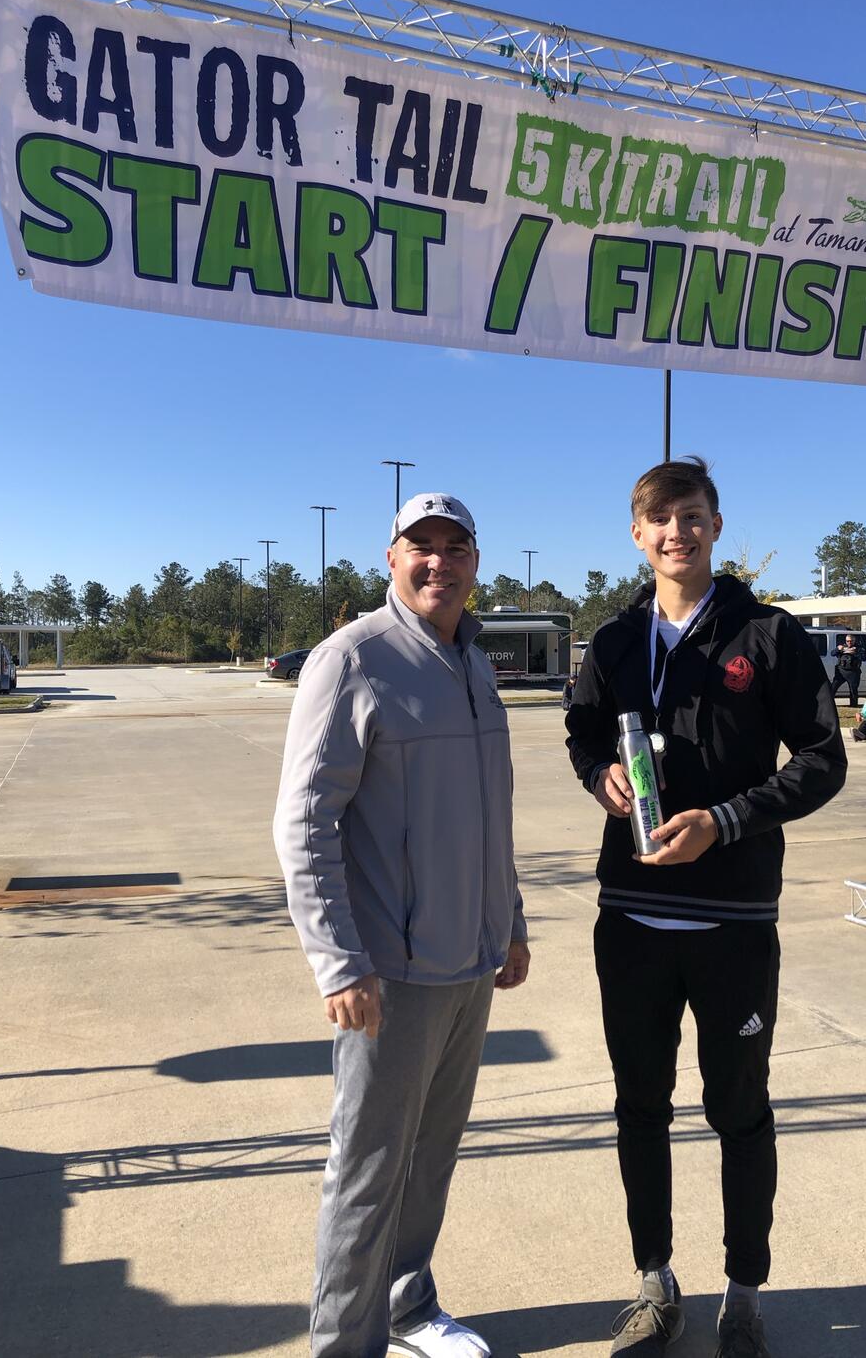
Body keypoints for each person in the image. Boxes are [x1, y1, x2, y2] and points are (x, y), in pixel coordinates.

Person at [565, 457, 846, 1358]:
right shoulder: (614, 640)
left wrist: (726, 821)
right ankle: (655, 1282)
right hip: (632, 917)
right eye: (659, 519)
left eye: (691, 515)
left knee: (740, 1110)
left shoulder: (768, 634)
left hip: (732, 923)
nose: (676, 531)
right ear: (637, 536)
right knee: (639, 1106)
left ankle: (744, 1294)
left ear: (716, 526)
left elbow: (823, 759)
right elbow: (581, 730)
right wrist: (598, 775)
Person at [274, 492, 530, 1358]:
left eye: (455, 547)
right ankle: (345, 1345)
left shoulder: (475, 665)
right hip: (389, 973)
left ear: (475, 562)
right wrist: (339, 961)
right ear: (391, 558)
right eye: (421, 545)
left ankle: (408, 1306)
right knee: (368, 1170)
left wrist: (510, 921)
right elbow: (304, 820)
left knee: (430, 1159)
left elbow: (490, 812)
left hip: (470, 964)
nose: (438, 562)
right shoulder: (353, 659)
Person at [829, 633, 863, 707]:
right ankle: (828, 703)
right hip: (841, 672)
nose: (849, 642)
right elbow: (832, 653)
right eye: (848, 641)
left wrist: (855, 653)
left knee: (853, 690)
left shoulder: (858, 648)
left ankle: (853, 705)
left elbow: (864, 658)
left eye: (851, 641)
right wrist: (837, 649)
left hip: (853, 672)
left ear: (854, 641)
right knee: (833, 688)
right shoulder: (842, 647)